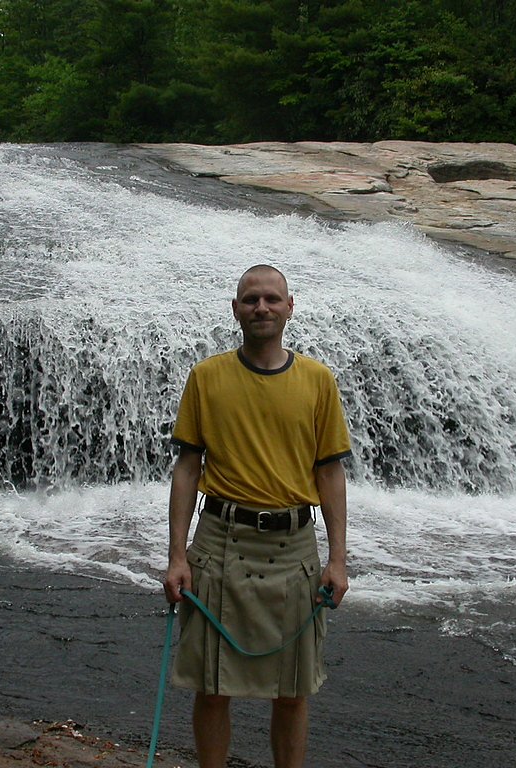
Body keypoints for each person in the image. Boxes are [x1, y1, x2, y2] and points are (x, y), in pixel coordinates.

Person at [163, 264, 352, 768]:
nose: (261, 308)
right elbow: (187, 469)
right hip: (219, 544)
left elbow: (330, 473)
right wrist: (177, 557)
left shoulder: (318, 381)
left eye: (271, 299)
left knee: (292, 692)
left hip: (294, 550)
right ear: (235, 309)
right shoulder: (206, 377)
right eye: (250, 300)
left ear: (290, 307)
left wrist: (338, 560)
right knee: (212, 687)